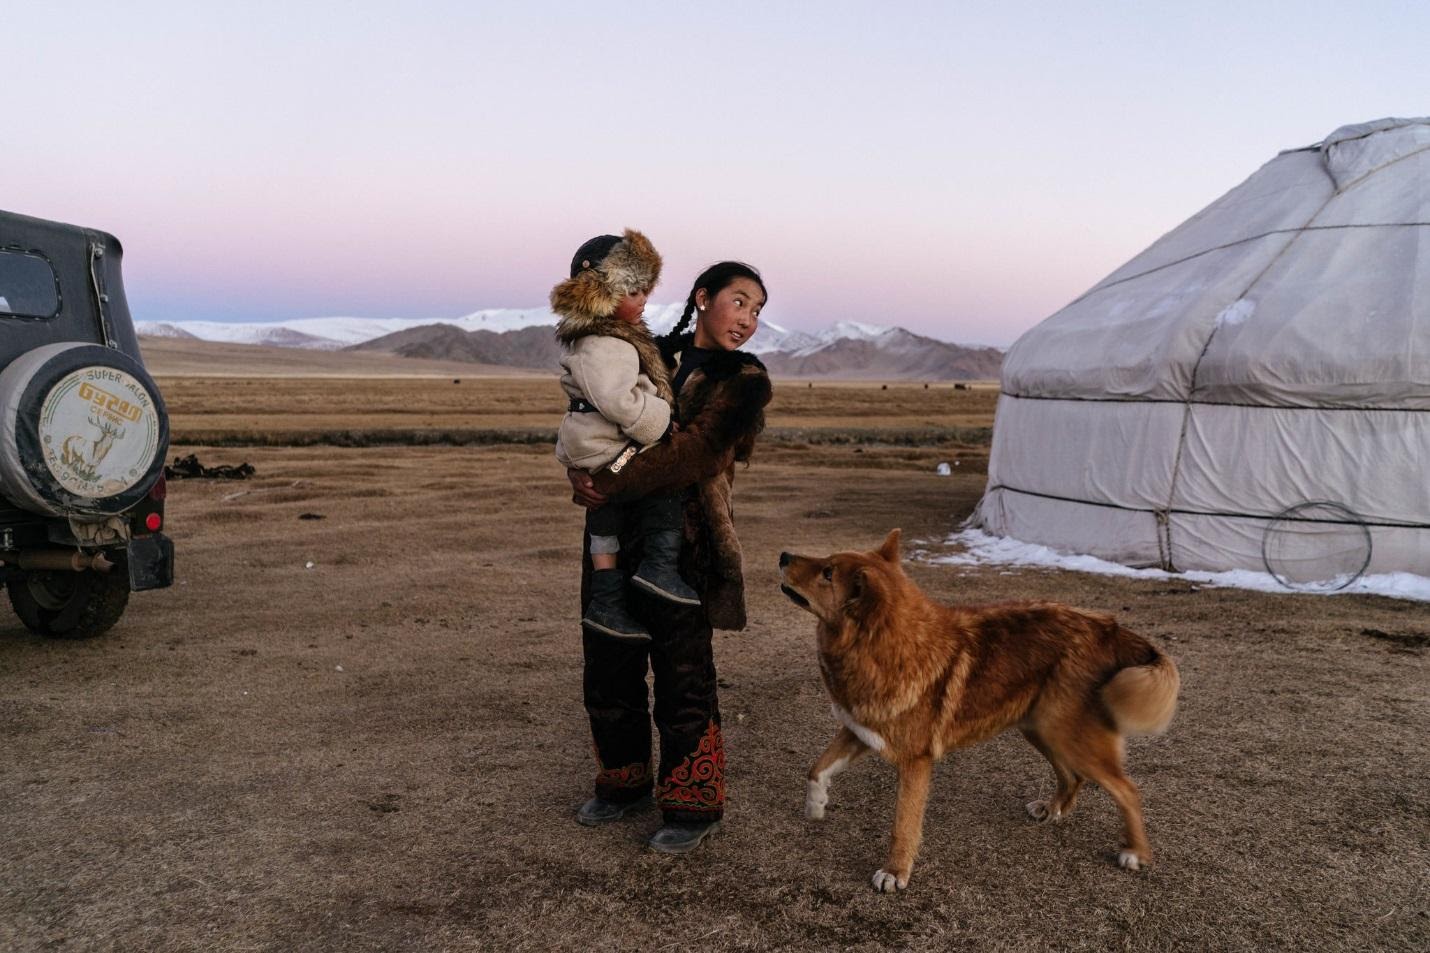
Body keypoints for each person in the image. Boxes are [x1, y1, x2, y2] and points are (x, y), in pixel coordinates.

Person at [567, 261, 772, 853]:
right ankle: (623, 782)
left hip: (688, 541)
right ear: (703, 298)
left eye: (758, 310)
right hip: (614, 538)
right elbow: (591, 412)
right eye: (740, 301)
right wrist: (578, 471)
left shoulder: (745, 379)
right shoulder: (645, 350)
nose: (748, 319)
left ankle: (691, 804)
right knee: (609, 663)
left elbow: (698, 452)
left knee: (683, 676)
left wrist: (607, 480)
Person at [551, 230, 702, 641]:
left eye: (645, 289)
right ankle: (659, 567)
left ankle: (606, 600)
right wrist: (659, 419)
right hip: (607, 447)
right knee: (664, 482)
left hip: (592, 445)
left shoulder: (596, 338)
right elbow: (618, 400)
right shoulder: (607, 343)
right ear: (601, 295)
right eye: (633, 291)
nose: (644, 299)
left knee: (606, 521)